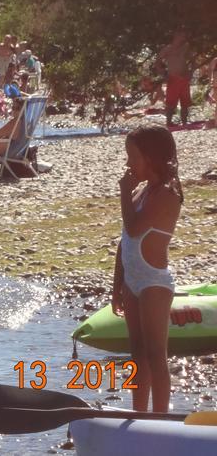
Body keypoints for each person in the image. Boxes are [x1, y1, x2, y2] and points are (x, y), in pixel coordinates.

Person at [111, 126, 183, 413]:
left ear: (152, 158)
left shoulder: (166, 194)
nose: (128, 164)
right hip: (132, 280)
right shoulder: (142, 191)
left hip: (154, 282)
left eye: (132, 157)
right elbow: (125, 240)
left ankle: (161, 417)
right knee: (137, 353)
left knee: (155, 355)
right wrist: (117, 283)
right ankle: (139, 414)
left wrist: (123, 193)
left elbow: (134, 226)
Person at [158, 30, 193, 125]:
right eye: (181, 36)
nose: (183, 39)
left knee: (185, 101)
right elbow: (158, 62)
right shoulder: (167, 49)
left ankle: (184, 122)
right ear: (176, 37)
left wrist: (190, 72)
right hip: (172, 78)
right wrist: (164, 74)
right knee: (171, 102)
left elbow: (193, 61)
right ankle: (168, 122)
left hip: (184, 78)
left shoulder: (186, 48)